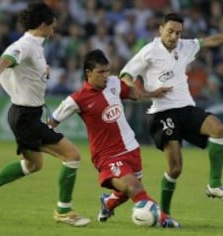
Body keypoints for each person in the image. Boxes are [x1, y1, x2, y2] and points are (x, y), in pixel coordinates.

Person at [120, 13, 223, 220]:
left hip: (186, 108)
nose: (174, 36)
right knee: (175, 169)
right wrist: (137, 91)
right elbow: (126, 75)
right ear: (161, 29)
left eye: (178, 33)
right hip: (162, 112)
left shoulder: (185, 46)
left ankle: (214, 184)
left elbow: (210, 41)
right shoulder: (149, 51)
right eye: (170, 31)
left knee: (218, 129)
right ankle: (165, 215)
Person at [0, 1, 90, 227]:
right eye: (52, 25)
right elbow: (5, 59)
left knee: (33, 164)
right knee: (72, 156)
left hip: (25, 115)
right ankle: (64, 211)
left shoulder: (36, 46)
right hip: (25, 117)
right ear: (43, 25)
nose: (54, 30)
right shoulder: (25, 45)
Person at [49, 49, 180, 228]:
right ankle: (163, 218)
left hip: (131, 148)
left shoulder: (114, 83)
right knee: (134, 188)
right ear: (88, 73)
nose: (105, 76)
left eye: (107, 71)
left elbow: (135, 94)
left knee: (126, 192)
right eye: (100, 72)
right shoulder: (76, 100)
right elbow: (52, 122)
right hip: (107, 156)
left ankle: (108, 203)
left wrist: (152, 93)